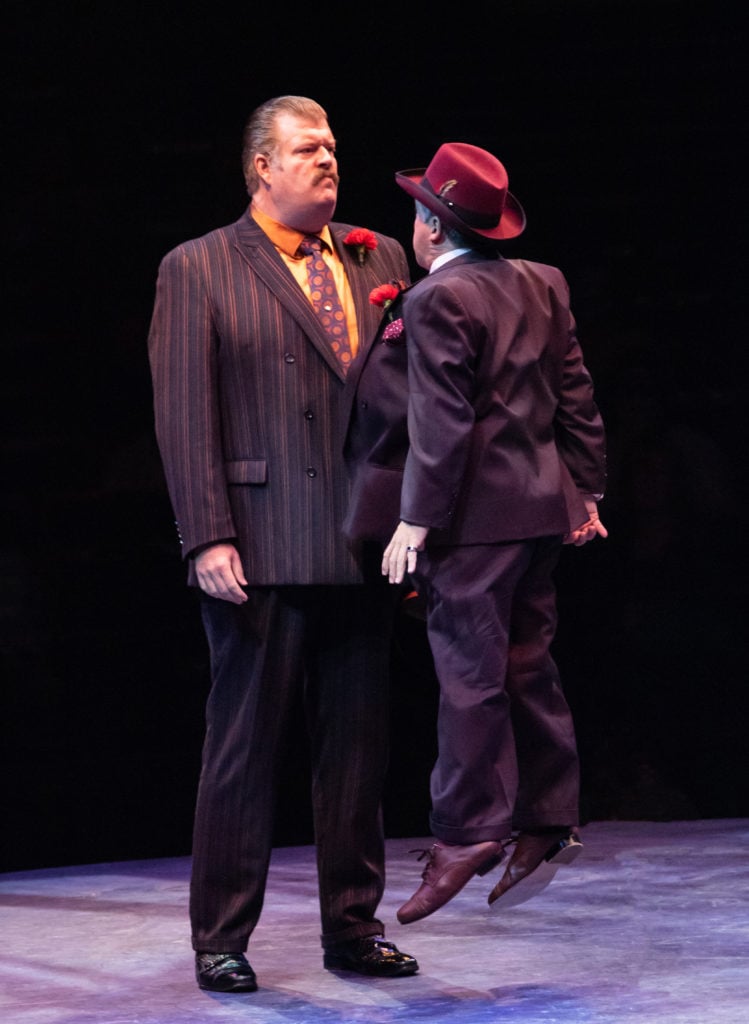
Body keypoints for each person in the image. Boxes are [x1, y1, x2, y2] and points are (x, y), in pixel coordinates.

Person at [147, 95, 418, 992]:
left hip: (361, 542)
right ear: (260, 166)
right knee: (244, 750)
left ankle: (352, 926)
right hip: (259, 544)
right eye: (307, 149)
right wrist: (206, 536)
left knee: (356, 753)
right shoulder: (201, 266)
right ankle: (221, 935)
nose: (328, 161)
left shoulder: (376, 255)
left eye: (333, 146)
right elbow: (185, 414)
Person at [343, 141, 607, 926]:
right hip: (537, 511)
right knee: (527, 662)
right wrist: (585, 489)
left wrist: (414, 522)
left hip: (475, 520)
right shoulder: (542, 281)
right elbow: (576, 396)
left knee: (470, 675)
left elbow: (443, 422)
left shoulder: (434, 301)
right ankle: (548, 816)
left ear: (429, 223)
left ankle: (465, 834)